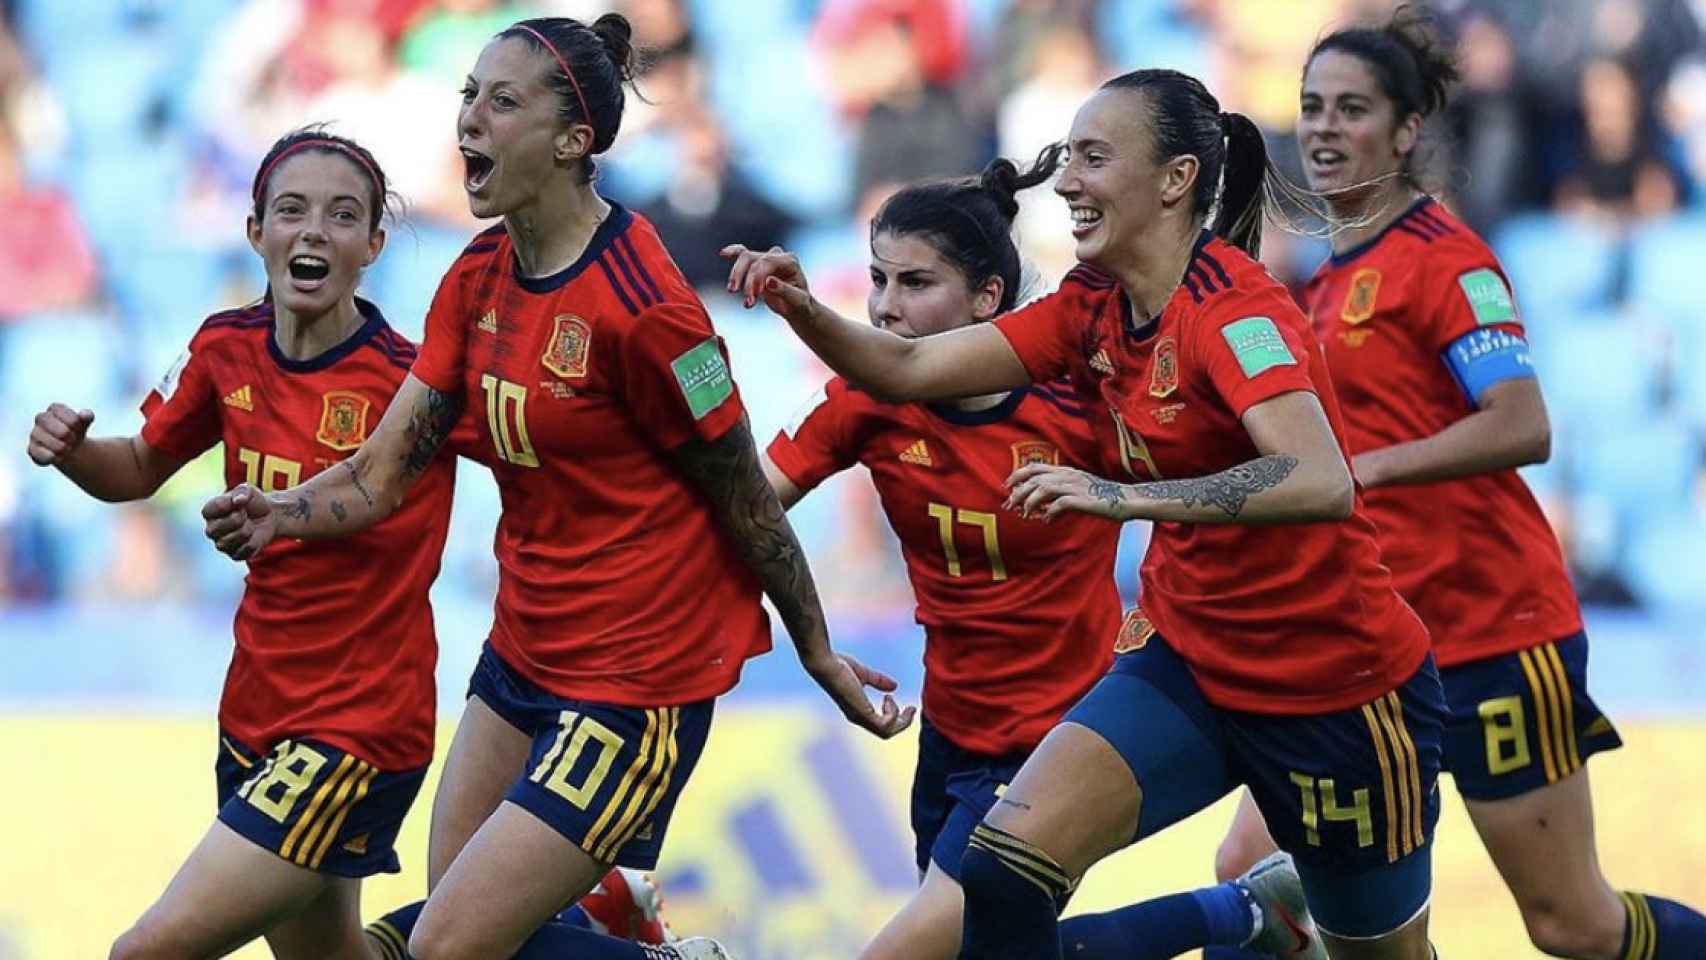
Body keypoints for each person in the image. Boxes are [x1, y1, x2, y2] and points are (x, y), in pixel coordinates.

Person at [201, 16, 911, 960]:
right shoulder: (476, 277)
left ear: (574, 141)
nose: (469, 122)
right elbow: (380, 472)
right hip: (522, 658)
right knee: (469, 928)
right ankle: (616, 924)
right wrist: (278, 512)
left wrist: (815, 646)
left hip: (637, 680)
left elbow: (743, 490)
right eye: (466, 96)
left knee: (450, 948)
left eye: (501, 102)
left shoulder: (648, 309)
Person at [726, 66, 1447, 960]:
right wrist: (802, 310)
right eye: (1068, 157)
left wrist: (1121, 496)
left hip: (1335, 690)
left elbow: (1319, 478)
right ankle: (1249, 916)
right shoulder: (1089, 307)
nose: (1066, 180)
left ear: (1175, 180)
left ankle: (1265, 918)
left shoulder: (1234, 310)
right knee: (1000, 868)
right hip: (1186, 664)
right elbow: (908, 370)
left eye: (1094, 158)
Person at [1210, 10, 1706, 960]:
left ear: (1404, 132)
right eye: (1311, 105)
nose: (1321, 127)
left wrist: (1371, 472)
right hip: (1369, 649)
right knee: (1264, 886)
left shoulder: (1448, 259)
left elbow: (1524, 424)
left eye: (1352, 108)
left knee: (1572, 925)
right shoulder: (1319, 280)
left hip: (1489, 632)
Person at [27, 128, 453, 960]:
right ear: (255, 231)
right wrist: (78, 454)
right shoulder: (224, 347)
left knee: (144, 953)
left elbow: (549, 450)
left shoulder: (413, 382)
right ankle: (597, 929)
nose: (312, 232)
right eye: (290, 211)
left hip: (357, 727)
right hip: (255, 714)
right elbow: (142, 464)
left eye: (342, 216)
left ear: (372, 245)